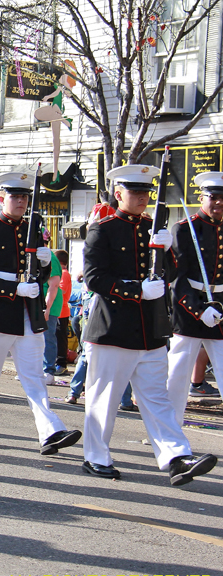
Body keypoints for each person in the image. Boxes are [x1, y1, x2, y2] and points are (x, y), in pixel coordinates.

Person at [82, 164, 216, 485]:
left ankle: (176, 455)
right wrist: (135, 289)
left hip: (150, 329)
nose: (142, 197)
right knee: (105, 398)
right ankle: (96, 455)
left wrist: (169, 251)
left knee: (158, 400)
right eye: (135, 191)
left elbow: (170, 273)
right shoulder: (103, 229)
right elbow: (94, 278)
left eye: (146, 192)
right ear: (119, 194)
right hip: (113, 328)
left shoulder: (151, 228)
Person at [0, 172, 81, 455]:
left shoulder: (33, 227)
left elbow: (36, 273)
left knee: (34, 375)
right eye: (14, 196)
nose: (20, 201)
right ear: (1, 198)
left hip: (28, 312)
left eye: (24, 196)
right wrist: (13, 288)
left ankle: (50, 430)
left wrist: (43, 264)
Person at [167, 171, 223, 422]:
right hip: (189, 309)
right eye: (213, 197)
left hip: (221, 307)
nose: (219, 203)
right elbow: (177, 278)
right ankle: (168, 428)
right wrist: (199, 310)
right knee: (178, 375)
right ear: (202, 198)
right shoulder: (183, 229)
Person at [41, 234, 63, 384]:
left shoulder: (50, 258)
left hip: (49, 304)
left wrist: (47, 309)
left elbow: (53, 285)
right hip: (35, 303)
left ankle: (48, 371)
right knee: (35, 339)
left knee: (47, 338)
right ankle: (36, 369)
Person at [55, 249, 72, 374]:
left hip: (61, 311)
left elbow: (61, 290)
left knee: (61, 339)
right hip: (58, 310)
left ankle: (61, 363)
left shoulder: (64, 273)